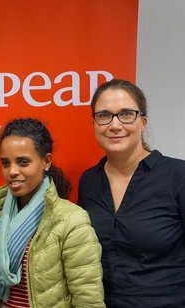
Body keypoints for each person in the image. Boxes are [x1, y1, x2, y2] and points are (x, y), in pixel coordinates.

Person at [78, 79, 185, 307]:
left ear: (143, 122)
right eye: (104, 115)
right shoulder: (89, 181)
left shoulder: (178, 176)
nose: (115, 125)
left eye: (126, 114)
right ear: (95, 123)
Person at [0, 118, 105, 308]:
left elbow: (88, 300)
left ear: (46, 161)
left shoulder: (71, 220)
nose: (12, 171)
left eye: (23, 162)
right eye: (6, 163)